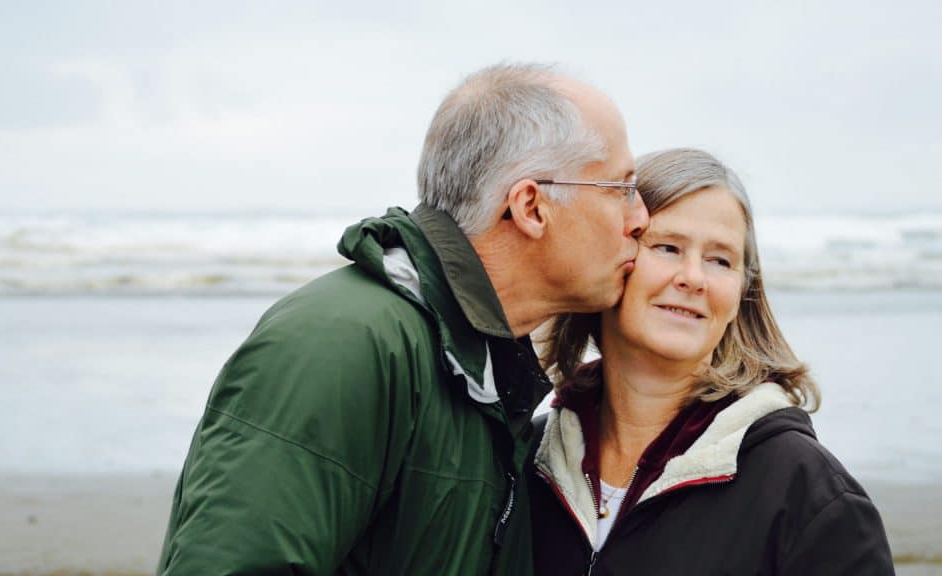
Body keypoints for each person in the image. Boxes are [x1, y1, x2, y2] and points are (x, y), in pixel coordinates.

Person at [155, 63, 649, 576]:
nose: (640, 219)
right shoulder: (343, 343)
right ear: (531, 206)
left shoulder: (481, 365)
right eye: (621, 188)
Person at [529, 148, 894, 575]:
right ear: (612, 258)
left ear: (742, 292)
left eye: (720, 260)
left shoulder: (808, 492)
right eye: (667, 247)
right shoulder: (529, 460)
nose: (693, 278)